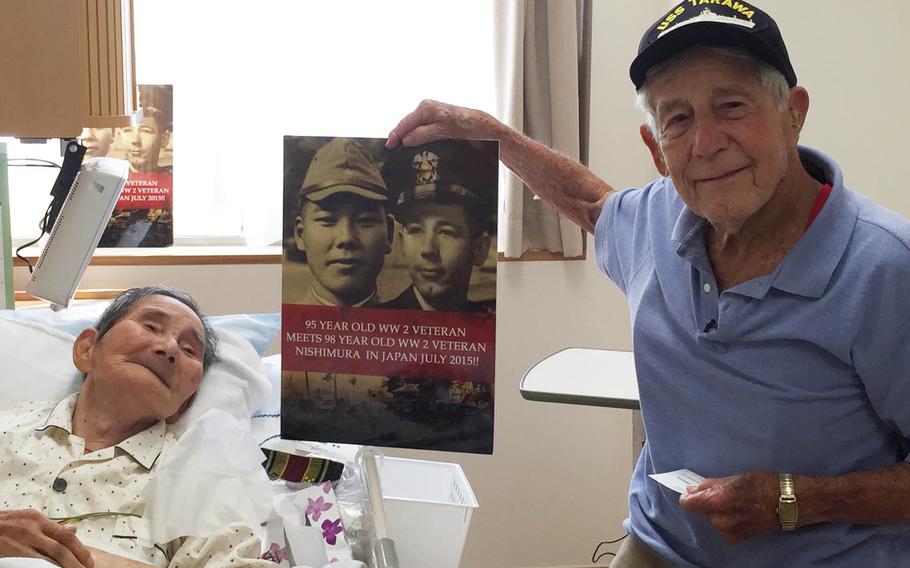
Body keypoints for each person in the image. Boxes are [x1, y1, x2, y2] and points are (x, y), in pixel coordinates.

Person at [386, 2, 910, 566]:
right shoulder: (656, 221)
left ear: (793, 113)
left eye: (732, 105)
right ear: (655, 148)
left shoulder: (884, 268)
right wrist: (491, 136)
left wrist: (794, 501)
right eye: (678, 119)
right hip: (660, 545)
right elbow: (590, 203)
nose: (706, 142)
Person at [0, 286, 275, 568]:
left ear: (185, 402)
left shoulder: (201, 476)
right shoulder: (6, 428)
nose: (169, 348)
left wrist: (78, 559)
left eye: (189, 350)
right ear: (87, 349)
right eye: (151, 326)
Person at [380, 140, 495, 313]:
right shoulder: (378, 325)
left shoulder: (488, 329)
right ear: (402, 242)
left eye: (446, 232)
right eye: (416, 230)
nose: (428, 250)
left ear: (479, 249)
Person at [293, 138, 395, 307]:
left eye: (366, 221)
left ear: (390, 234)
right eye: (327, 220)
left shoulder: (414, 328)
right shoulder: (280, 330)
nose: (346, 238)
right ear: (300, 234)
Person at [118, 85, 173, 173]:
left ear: (164, 139)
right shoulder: (107, 177)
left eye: (145, 131)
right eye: (127, 130)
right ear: (119, 136)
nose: (135, 140)